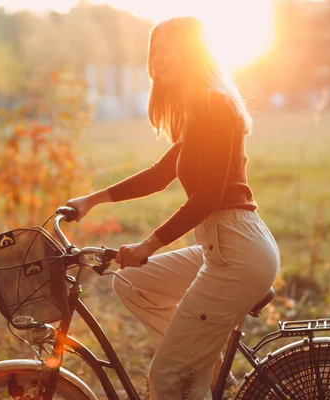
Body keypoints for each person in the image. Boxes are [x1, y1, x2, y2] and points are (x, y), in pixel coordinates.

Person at [66, 16, 280, 400]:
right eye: (155, 51)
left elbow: (208, 197)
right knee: (131, 281)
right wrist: (91, 200)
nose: (158, 59)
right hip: (224, 247)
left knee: (167, 377)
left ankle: (193, 369)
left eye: (168, 50)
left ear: (191, 53)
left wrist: (149, 245)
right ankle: (205, 365)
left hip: (237, 250)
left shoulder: (215, 105)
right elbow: (158, 175)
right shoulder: (200, 111)